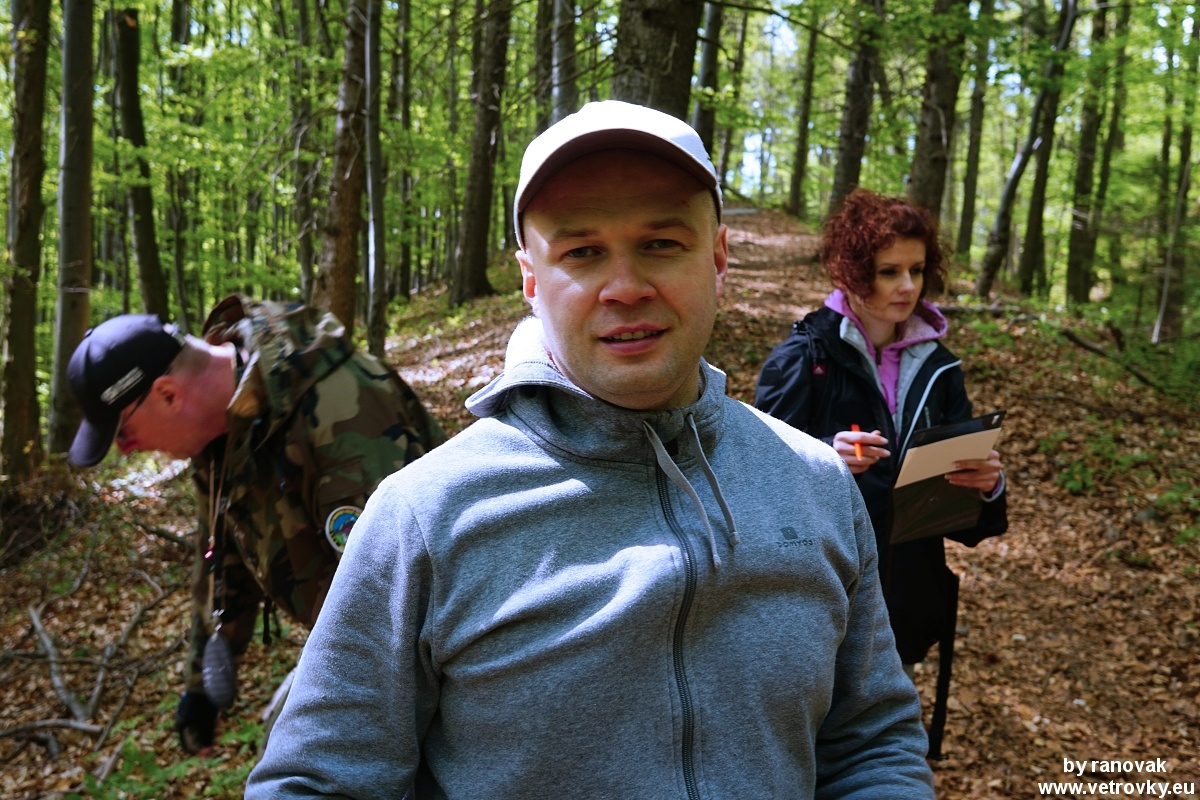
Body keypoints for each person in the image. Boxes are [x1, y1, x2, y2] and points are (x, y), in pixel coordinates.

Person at [246, 101, 935, 799]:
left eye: (662, 243)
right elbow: (314, 783)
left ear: (718, 258)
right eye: (581, 252)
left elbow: (873, 746)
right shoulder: (425, 517)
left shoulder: (814, 486)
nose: (626, 288)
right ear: (530, 280)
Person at [67, 294, 446, 754]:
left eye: (123, 432)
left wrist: (320, 693)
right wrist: (202, 687)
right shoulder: (220, 435)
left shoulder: (341, 410)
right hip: (378, 658)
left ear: (168, 394)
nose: (126, 450)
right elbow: (220, 557)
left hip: (447, 662)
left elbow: (409, 597)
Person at [754, 188, 1008, 755]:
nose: (907, 286)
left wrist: (987, 486)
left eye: (917, 270)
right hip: (814, 602)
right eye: (888, 271)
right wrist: (823, 456)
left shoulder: (940, 369)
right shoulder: (805, 357)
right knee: (802, 754)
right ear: (850, 272)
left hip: (905, 604)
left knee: (880, 753)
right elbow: (754, 481)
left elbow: (966, 519)